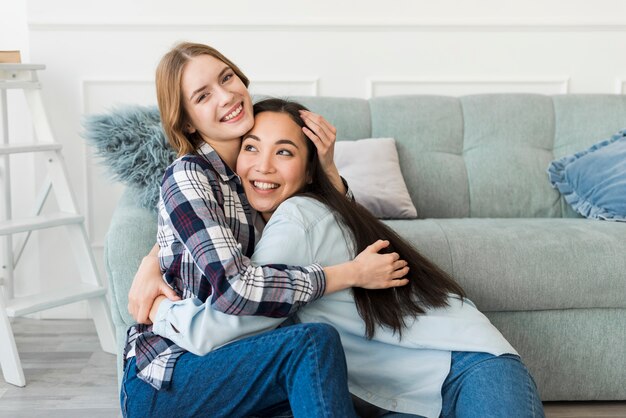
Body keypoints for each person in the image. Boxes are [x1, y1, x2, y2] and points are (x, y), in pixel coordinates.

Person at [145, 98, 546, 418]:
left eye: (283, 152)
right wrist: (153, 259)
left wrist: (159, 309)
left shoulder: (296, 218)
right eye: (251, 148)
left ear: (308, 170)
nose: (262, 166)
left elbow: (228, 325)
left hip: (469, 370)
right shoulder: (285, 216)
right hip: (408, 398)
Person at [121, 42, 410, 418]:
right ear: (188, 122)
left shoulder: (253, 171)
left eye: (227, 78)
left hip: (241, 362)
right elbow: (235, 291)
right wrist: (350, 274)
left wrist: (326, 169)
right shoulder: (188, 175)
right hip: (172, 377)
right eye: (203, 95)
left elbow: (332, 230)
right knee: (311, 345)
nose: (226, 96)